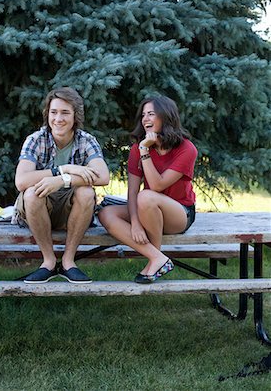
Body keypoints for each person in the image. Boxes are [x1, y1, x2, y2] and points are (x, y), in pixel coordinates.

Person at [15, 87, 110, 284]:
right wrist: (63, 169)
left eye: (65, 113)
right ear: (47, 114)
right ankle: (48, 262)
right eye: (54, 112)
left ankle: (68, 262)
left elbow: (103, 176)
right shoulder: (35, 140)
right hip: (38, 209)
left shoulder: (86, 141)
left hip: (71, 212)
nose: (58, 119)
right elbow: (21, 181)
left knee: (86, 193)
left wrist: (63, 180)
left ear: (76, 116)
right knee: (32, 193)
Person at [98, 95, 197, 284]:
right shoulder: (137, 148)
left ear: (165, 116)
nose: (145, 119)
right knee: (106, 213)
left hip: (179, 213)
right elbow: (132, 191)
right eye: (143, 115)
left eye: (151, 114)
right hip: (146, 208)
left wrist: (145, 150)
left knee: (147, 196)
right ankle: (156, 258)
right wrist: (135, 222)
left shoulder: (186, 148)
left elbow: (158, 185)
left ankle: (156, 260)